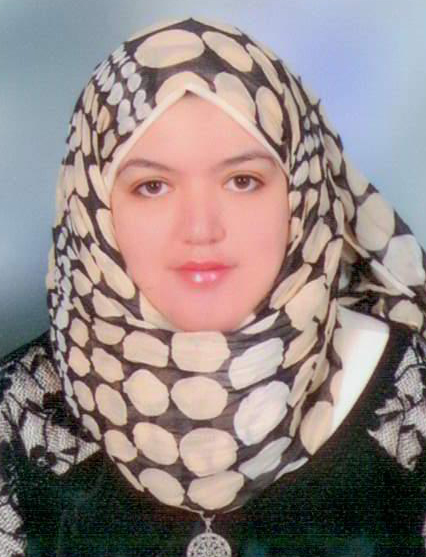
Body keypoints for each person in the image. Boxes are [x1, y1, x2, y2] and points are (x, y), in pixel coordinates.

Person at [1, 16, 425, 557]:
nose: (200, 228)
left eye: (242, 181)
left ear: (303, 194)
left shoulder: (410, 392)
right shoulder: (18, 412)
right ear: (93, 209)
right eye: (152, 186)